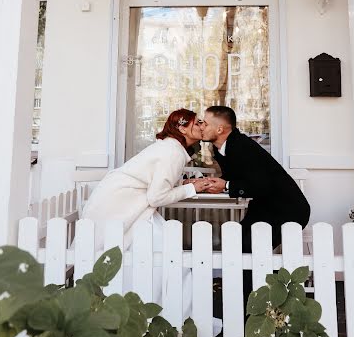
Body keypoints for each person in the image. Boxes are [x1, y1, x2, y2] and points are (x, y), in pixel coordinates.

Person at [82, 108, 209, 250]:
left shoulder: (170, 147)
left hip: (118, 195)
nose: (202, 126)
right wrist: (191, 189)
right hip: (121, 201)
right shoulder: (174, 152)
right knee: (155, 247)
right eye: (197, 123)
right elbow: (156, 198)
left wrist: (181, 183)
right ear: (182, 129)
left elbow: (151, 178)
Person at [200, 106, 311, 252]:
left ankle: (274, 275)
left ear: (220, 129)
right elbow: (234, 175)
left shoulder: (242, 147)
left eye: (205, 123)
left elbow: (262, 185)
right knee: (236, 241)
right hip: (264, 207)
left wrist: (226, 185)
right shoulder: (222, 147)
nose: (201, 126)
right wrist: (207, 182)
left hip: (287, 209)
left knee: (250, 246)